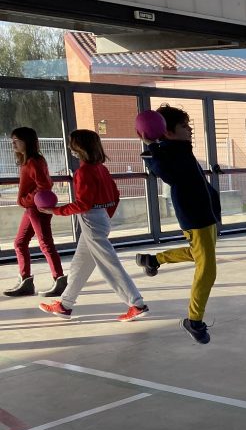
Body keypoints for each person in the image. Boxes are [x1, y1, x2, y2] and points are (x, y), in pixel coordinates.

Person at [37, 130, 148, 322]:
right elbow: (115, 196)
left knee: (109, 264)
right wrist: (105, 216)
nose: (70, 147)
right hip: (99, 218)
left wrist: (54, 210)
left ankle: (137, 304)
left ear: (79, 147)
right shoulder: (101, 169)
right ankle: (65, 305)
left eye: (72, 144)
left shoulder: (83, 172)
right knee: (80, 264)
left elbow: (83, 204)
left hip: (91, 220)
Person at [134, 104, 220, 344]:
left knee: (198, 254)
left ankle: (153, 260)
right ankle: (194, 320)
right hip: (195, 217)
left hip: (206, 215)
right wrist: (151, 145)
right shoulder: (164, 153)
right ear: (167, 131)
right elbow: (165, 173)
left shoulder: (180, 149)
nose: (189, 129)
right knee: (207, 269)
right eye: (184, 126)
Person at [3, 127, 66, 298]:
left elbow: (44, 185)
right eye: (12, 140)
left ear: (27, 141)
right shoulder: (30, 161)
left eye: (16, 140)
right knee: (20, 243)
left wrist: (25, 199)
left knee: (45, 243)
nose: (13, 144)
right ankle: (26, 282)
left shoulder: (33, 162)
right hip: (32, 208)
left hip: (37, 208)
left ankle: (59, 280)